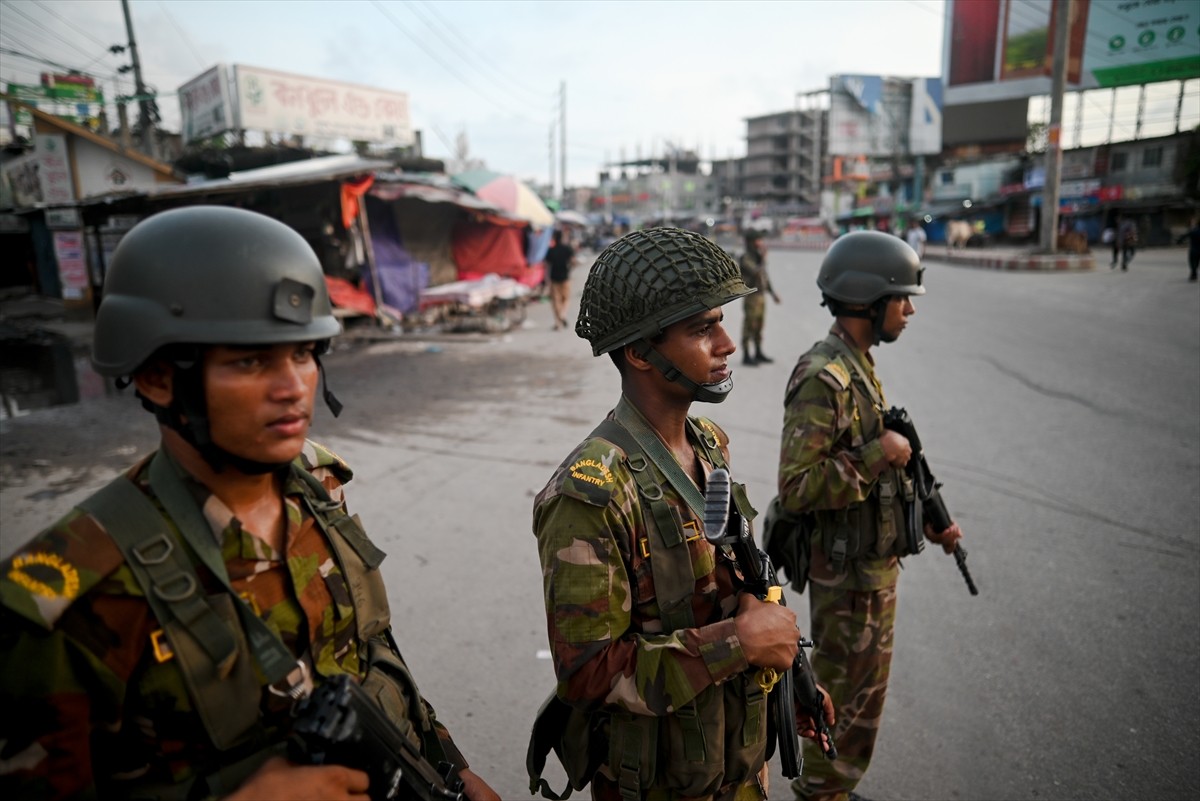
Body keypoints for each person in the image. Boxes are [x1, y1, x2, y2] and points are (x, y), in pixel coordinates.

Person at [0, 206, 500, 801]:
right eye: (250, 360)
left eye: (303, 353)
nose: (293, 386)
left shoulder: (317, 486)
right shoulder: (75, 594)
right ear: (160, 379)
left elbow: (369, 653)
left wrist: (449, 764)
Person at [528, 227, 833, 801]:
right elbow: (587, 675)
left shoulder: (708, 441)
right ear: (640, 351)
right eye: (701, 329)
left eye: (720, 322)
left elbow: (738, 580)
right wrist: (737, 644)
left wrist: (790, 677)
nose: (727, 343)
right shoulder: (591, 494)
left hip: (736, 762)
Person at [776, 231, 964, 801]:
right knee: (843, 693)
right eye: (901, 298)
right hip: (848, 579)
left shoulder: (858, 364)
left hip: (869, 570)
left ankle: (834, 784)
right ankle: (822, 790)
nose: (908, 311)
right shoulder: (823, 376)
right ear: (866, 299)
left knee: (864, 695)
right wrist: (879, 453)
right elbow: (797, 486)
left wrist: (926, 516)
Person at [739, 229, 781, 366]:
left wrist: (773, 293)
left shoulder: (757, 257)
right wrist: (763, 259)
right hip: (751, 296)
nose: (760, 243)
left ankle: (758, 352)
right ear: (751, 242)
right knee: (749, 325)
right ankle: (746, 355)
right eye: (758, 240)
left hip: (760, 296)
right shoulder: (746, 257)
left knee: (759, 326)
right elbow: (756, 272)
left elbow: (764, 277)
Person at [545, 228, 578, 330]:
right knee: (566, 299)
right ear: (562, 237)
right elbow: (574, 262)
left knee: (556, 301)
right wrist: (570, 268)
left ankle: (558, 323)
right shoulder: (567, 249)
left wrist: (547, 280)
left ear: (554, 238)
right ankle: (563, 315)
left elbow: (547, 266)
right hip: (565, 277)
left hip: (554, 279)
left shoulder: (550, 250)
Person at [1176, 215, 1200, 282]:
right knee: (1196, 262)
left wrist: (1179, 240)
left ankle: (1193, 274)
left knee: (1193, 263)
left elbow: (1185, 236)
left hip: (1194, 250)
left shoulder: (1194, 231)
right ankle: (1194, 273)